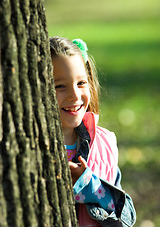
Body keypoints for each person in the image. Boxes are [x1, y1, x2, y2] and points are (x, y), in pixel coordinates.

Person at [49, 36, 136, 227]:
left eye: (81, 83)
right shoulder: (26, 147)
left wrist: (91, 187)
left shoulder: (104, 144)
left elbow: (126, 217)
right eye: (60, 86)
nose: (75, 95)